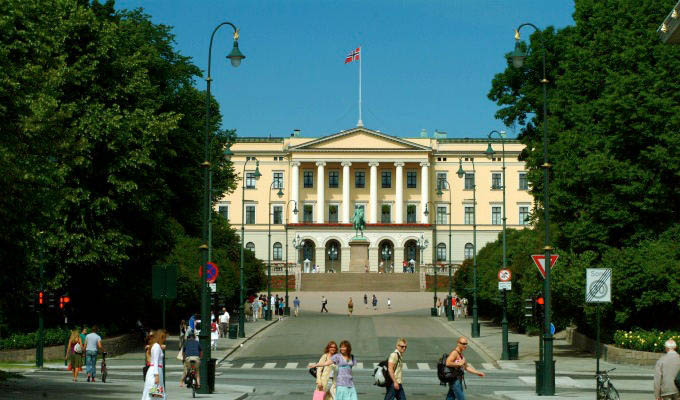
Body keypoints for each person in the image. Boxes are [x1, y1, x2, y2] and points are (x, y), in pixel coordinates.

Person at [142, 329, 167, 400]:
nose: (164, 340)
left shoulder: (156, 346)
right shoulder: (156, 347)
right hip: (155, 372)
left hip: (156, 371)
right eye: (164, 338)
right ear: (161, 337)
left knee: (155, 394)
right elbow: (155, 361)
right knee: (154, 394)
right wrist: (156, 375)